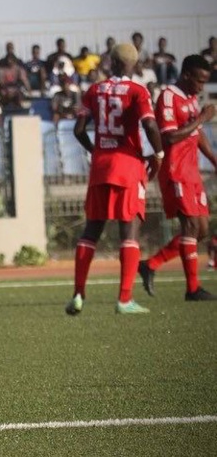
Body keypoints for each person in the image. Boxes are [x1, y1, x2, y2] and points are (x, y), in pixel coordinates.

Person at [65, 44, 164, 316]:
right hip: (128, 166)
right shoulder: (138, 91)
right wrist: (158, 154)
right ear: (134, 62)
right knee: (129, 232)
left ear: (111, 62)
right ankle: (124, 299)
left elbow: (78, 130)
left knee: (91, 231)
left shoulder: (94, 90)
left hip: (101, 166)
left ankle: (77, 294)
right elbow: (150, 125)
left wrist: (95, 150)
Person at [138, 55, 217, 301]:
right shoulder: (168, 97)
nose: (201, 87)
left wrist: (215, 161)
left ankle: (151, 264)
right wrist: (202, 118)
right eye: (199, 81)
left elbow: (198, 135)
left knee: (202, 230)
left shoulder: (192, 99)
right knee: (191, 226)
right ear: (186, 76)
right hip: (176, 171)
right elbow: (169, 137)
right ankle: (192, 289)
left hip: (192, 172)